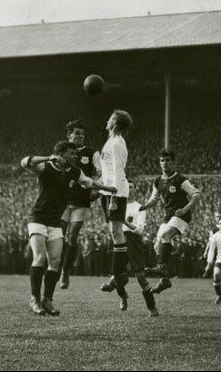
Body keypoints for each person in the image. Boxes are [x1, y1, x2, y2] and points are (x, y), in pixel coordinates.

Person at [21, 141, 116, 316]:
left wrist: (106, 188)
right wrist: (50, 157)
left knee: (55, 261)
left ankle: (47, 300)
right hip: (38, 218)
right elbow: (25, 161)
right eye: (72, 153)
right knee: (40, 257)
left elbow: (89, 183)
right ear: (60, 154)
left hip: (55, 221)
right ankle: (34, 299)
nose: (75, 156)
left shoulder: (75, 171)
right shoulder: (45, 167)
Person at [140, 148, 201, 294]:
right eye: (162, 160)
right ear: (159, 163)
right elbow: (154, 199)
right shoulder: (158, 181)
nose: (165, 163)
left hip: (181, 215)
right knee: (157, 246)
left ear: (173, 162)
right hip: (168, 217)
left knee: (166, 236)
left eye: (168, 160)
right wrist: (141, 207)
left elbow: (196, 194)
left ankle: (161, 267)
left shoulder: (180, 179)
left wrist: (185, 209)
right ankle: (165, 280)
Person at [101, 181, 159, 316]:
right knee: (118, 274)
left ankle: (152, 307)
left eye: (132, 187)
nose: (129, 189)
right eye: (127, 187)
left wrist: (124, 221)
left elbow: (139, 231)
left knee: (140, 276)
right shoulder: (120, 205)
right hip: (120, 239)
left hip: (133, 241)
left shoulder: (139, 207)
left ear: (136, 190)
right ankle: (122, 297)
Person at [59, 120, 101, 290]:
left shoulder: (92, 153)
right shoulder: (62, 151)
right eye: (76, 134)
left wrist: (97, 190)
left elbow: (100, 173)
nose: (79, 137)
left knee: (72, 237)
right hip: (62, 200)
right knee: (58, 236)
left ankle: (65, 271)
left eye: (82, 135)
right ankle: (54, 267)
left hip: (81, 201)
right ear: (69, 135)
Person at [99, 109, 134, 309]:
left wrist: (113, 196)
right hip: (107, 192)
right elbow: (107, 171)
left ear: (115, 122)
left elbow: (119, 172)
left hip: (116, 193)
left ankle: (115, 277)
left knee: (116, 232)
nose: (107, 119)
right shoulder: (111, 141)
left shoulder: (117, 143)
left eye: (110, 118)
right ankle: (119, 278)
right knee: (114, 234)